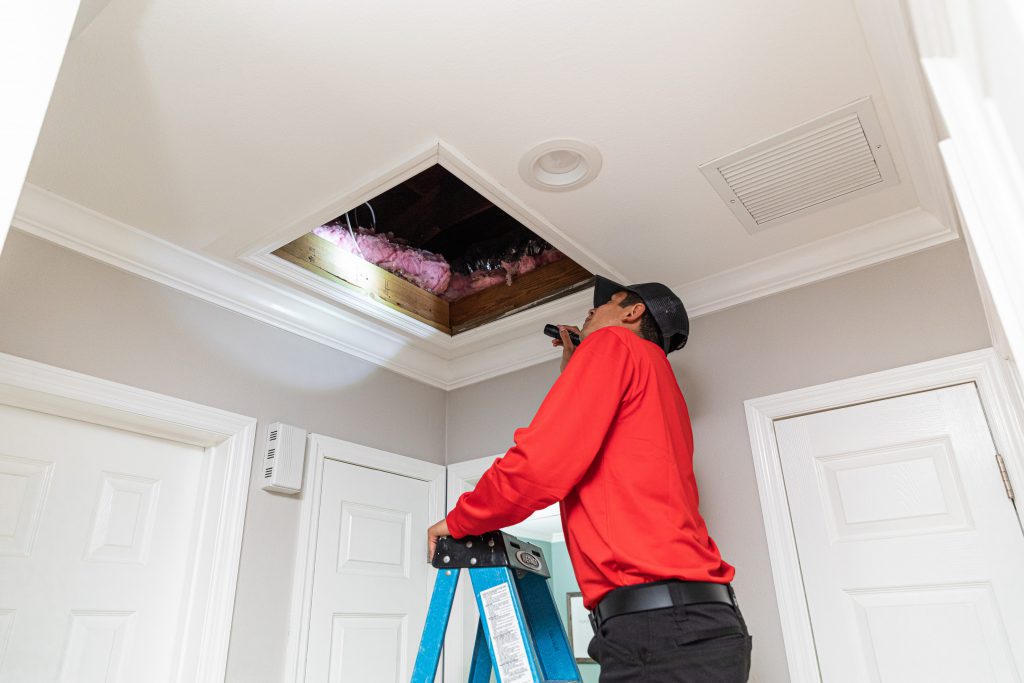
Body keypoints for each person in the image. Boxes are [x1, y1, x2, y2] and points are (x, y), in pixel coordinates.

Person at [426, 276, 751, 682]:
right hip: (703, 626)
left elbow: (540, 466)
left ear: (633, 313)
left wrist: (458, 520)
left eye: (604, 304)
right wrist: (575, 367)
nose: (591, 312)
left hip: (659, 628)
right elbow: (592, 447)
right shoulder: (657, 379)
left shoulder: (613, 344)